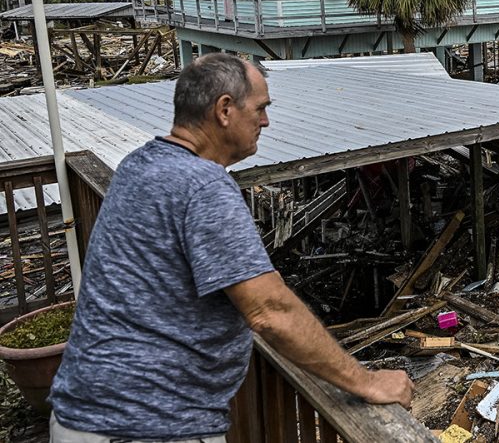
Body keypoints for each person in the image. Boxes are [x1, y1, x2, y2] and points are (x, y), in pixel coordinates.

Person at [49, 54, 412, 442]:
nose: (266, 121)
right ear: (224, 109)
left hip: (83, 414)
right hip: (148, 425)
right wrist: (367, 381)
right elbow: (269, 310)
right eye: (260, 108)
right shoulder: (203, 185)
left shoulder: (138, 164)